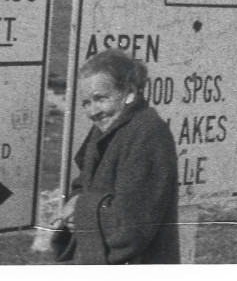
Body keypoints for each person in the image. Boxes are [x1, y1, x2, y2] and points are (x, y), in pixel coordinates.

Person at [54, 49, 179, 264]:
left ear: (129, 92)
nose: (92, 111)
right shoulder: (105, 130)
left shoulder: (148, 134)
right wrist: (75, 203)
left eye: (100, 99)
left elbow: (130, 229)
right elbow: (83, 183)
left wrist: (81, 211)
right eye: (85, 103)